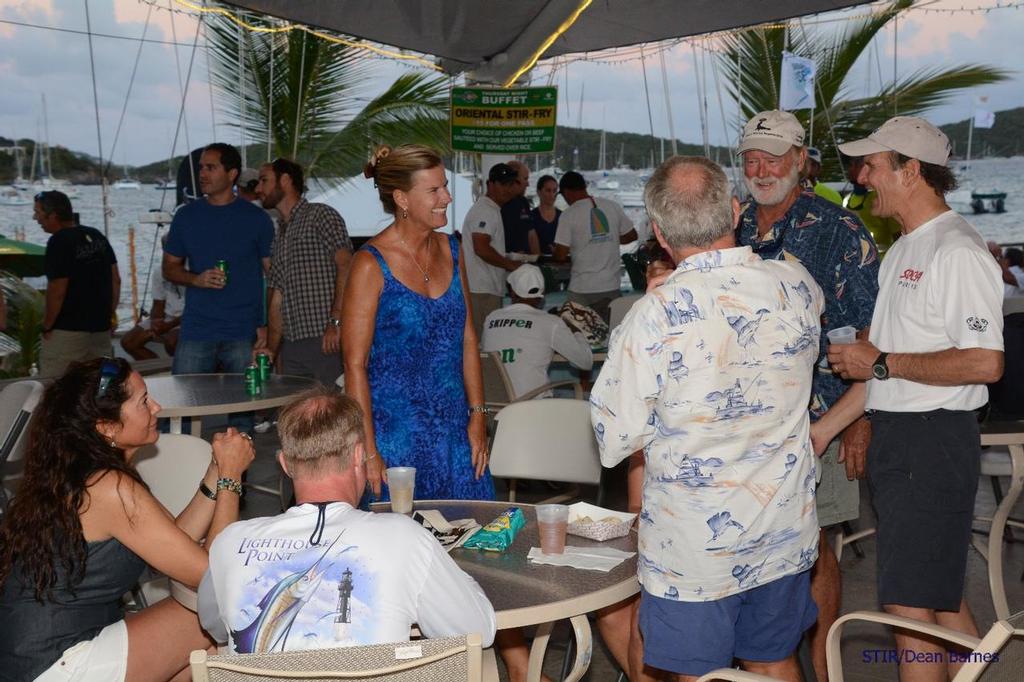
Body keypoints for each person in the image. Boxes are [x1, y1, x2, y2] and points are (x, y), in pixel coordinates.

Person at [591, 156, 823, 681]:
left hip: (695, 550)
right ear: (736, 210)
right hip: (782, 528)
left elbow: (613, 438)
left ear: (658, 232)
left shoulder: (652, 316)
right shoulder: (796, 283)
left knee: (694, 672)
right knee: (774, 659)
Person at [827, 116, 1004, 682]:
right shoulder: (907, 246)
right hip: (906, 438)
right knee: (940, 601)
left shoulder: (956, 250)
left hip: (932, 441)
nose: (862, 177)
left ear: (909, 170)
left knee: (908, 610)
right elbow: (882, 372)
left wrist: (878, 361)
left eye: (872, 165)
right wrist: (822, 430)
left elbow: (985, 362)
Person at [735, 109, 880, 682]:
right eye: (751, 157)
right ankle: (763, 659)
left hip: (821, 412)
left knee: (817, 543)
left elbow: (867, 335)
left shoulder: (840, 230)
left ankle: (821, 665)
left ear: (801, 160)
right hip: (741, 420)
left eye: (773, 156)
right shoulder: (731, 224)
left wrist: (858, 420)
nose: (761, 168)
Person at [0, 357, 254, 682]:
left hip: (29, 653)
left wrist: (215, 472)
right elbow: (214, 575)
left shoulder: (89, 473)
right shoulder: (109, 488)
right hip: (53, 662)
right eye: (144, 401)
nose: (157, 407)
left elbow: (173, 539)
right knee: (212, 620)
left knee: (198, 656)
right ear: (106, 427)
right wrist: (232, 477)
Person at [198, 388, 496, 653]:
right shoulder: (404, 537)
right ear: (358, 456)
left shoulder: (229, 543)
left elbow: (214, 625)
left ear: (285, 465)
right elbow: (477, 631)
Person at [342, 144, 492, 502]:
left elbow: (468, 339)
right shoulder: (369, 265)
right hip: (394, 438)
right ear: (402, 199)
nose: (447, 196)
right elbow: (354, 365)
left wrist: (478, 416)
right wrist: (371, 451)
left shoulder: (453, 251)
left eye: (445, 186)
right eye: (434, 190)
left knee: (472, 539)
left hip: (456, 433)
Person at [162, 142, 274, 433]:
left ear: (232, 173)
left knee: (242, 414)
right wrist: (195, 279)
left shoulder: (257, 219)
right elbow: (169, 268)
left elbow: (271, 276)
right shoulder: (186, 217)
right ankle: (180, 477)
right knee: (179, 410)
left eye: (210, 167)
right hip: (197, 328)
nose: (202, 173)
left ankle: (237, 478)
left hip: (242, 330)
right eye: (201, 167)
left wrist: (266, 326)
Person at [257, 158, 352, 386]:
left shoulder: (321, 215)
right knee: (300, 414)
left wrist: (336, 322)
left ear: (286, 180)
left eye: (264, 180)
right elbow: (277, 297)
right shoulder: (280, 233)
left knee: (333, 410)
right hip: (292, 343)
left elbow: (346, 265)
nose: (258, 189)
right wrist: (271, 347)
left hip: (325, 338)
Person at [34, 190, 120, 377]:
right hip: (100, 329)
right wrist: (109, 314)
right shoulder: (96, 236)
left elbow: (57, 289)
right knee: (99, 386)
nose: (35, 218)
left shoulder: (59, 241)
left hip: (67, 332)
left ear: (53, 215)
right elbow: (115, 279)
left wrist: (48, 325)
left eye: (38, 213)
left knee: (56, 387)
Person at [480, 264, 592, 398]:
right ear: (541, 296)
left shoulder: (491, 318)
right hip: (533, 408)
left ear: (512, 292)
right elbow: (585, 362)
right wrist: (574, 329)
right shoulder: (550, 322)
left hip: (493, 407)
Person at [553, 171, 637, 322]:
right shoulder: (612, 206)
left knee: (577, 334)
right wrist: (608, 239)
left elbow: (560, 255)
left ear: (566, 192)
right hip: (610, 286)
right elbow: (632, 235)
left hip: (581, 289)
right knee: (611, 334)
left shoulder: (568, 214)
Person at [462, 162, 523, 336]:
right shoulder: (485, 210)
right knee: (483, 345)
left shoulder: (492, 209)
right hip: (481, 291)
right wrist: (510, 265)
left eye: (511, 184)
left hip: (485, 288)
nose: (507, 189)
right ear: (490, 184)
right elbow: (481, 247)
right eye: (503, 184)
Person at [120, 237, 184, 361]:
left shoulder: (193, 270)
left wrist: (168, 326)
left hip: (185, 320)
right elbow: (158, 303)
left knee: (172, 343)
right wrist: (156, 322)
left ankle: (178, 372)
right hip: (167, 318)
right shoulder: (159, 271)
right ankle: (159, 370)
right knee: (128, 342)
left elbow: (195, 310)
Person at [842, 154, 902, 255]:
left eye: (851, 165)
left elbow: (899, 237)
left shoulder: (881, 199)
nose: (848, 169)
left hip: (882, 263)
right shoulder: (847, 200)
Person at [501, 160, 539, 255]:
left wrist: (538, 260)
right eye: (525, 179)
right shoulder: (499, 204)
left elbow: (531, 234)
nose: (528, 184)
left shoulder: (523, 202)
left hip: (524, 263)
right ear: (514, 180)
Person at [530, 174, 560, 255]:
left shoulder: (562, 216)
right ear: (539, 192)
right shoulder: (531, 216)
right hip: (536, 264)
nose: (552, 195)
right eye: (548, 190)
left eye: (554, 191)